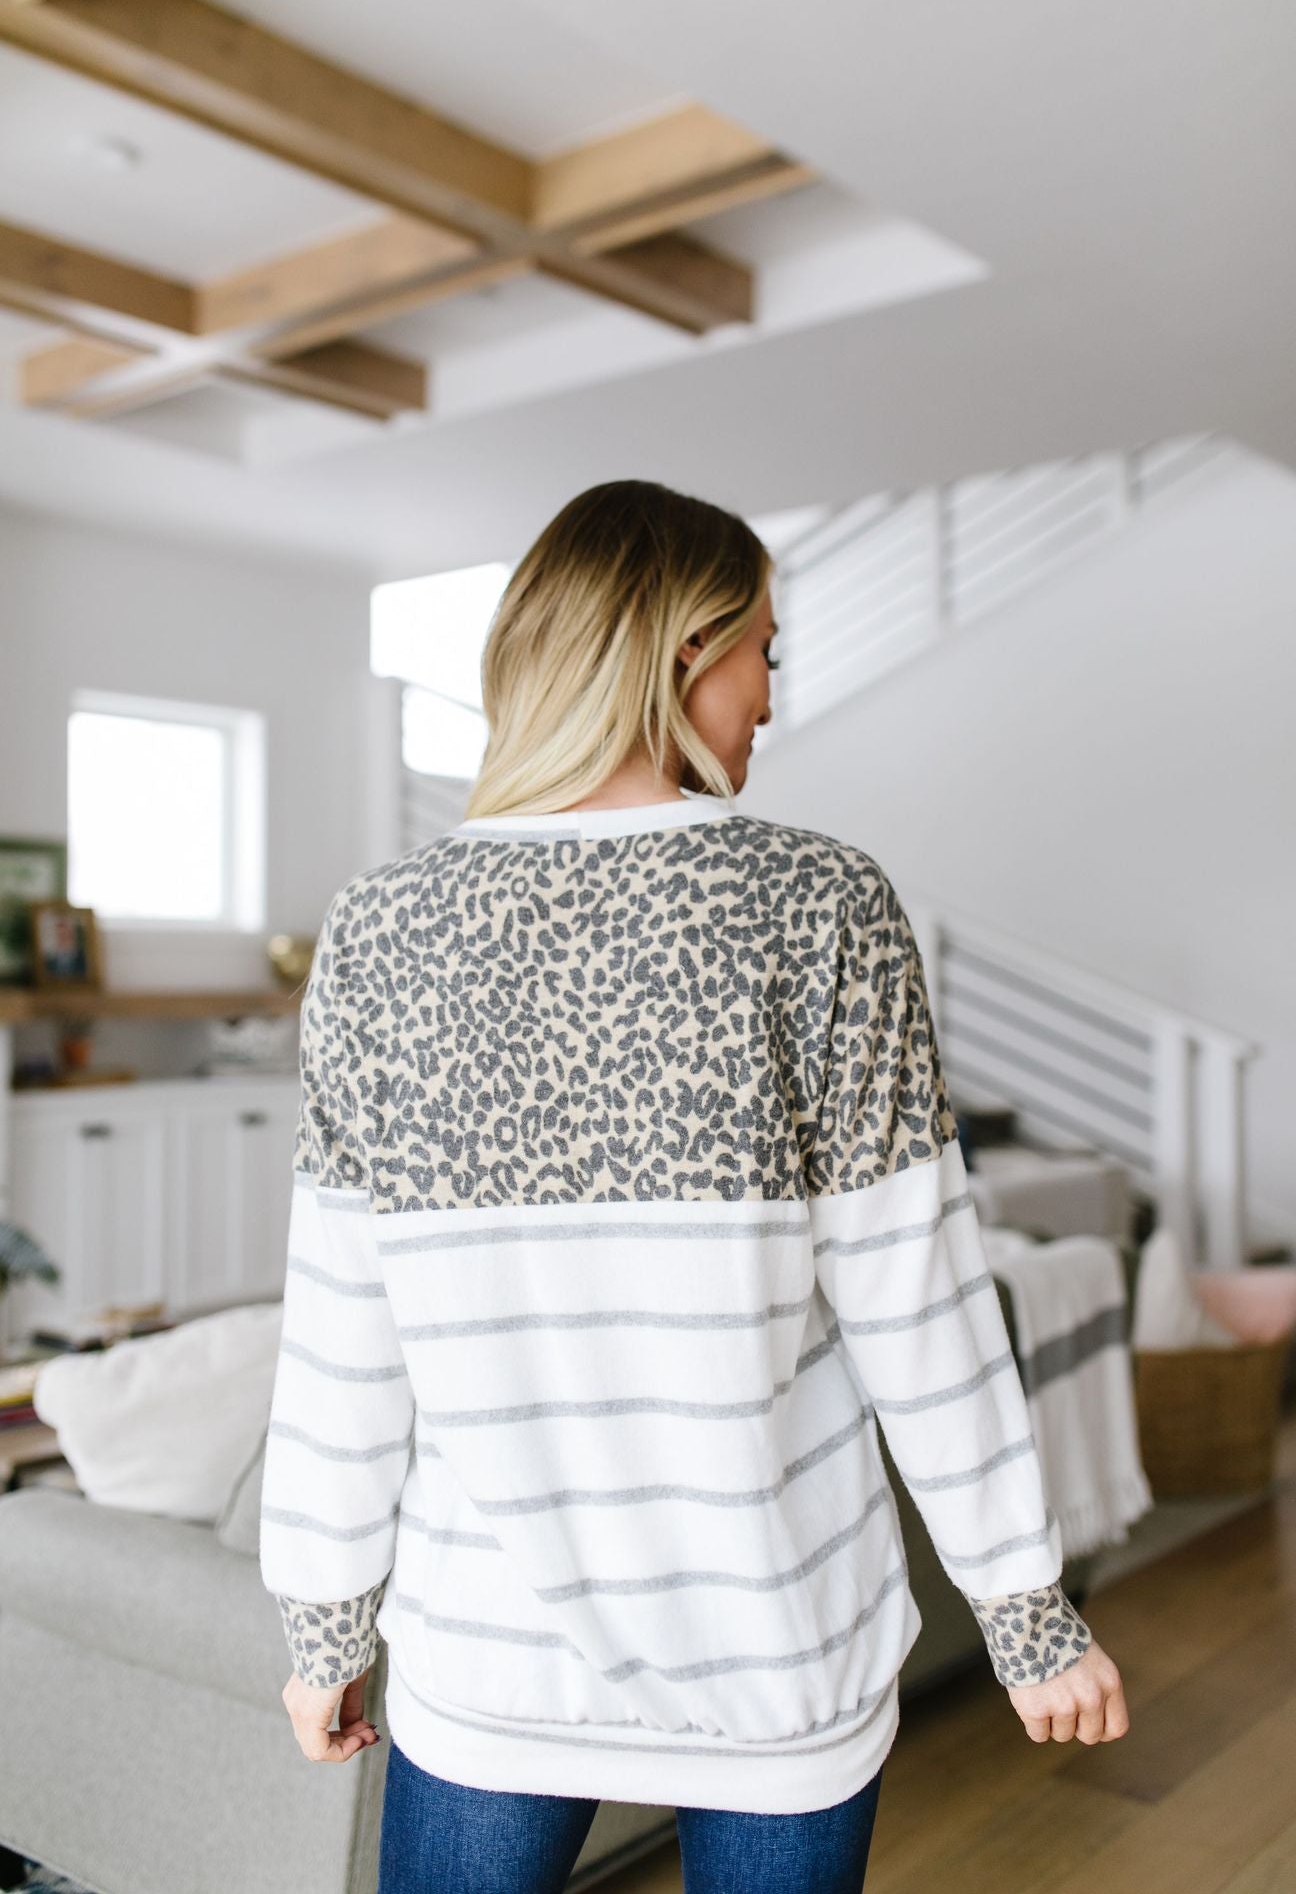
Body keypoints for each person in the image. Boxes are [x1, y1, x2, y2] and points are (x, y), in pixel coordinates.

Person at [259, 480, 1128, 1893]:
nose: (771, 700)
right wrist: (1023, 1611)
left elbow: (345, 1331)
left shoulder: (380, 930)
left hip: (491, 1656)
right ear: (683, 651)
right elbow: (921, 1302)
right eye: (765, 654)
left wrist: (322, 1627)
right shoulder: (822, 905)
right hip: (776, 1647)